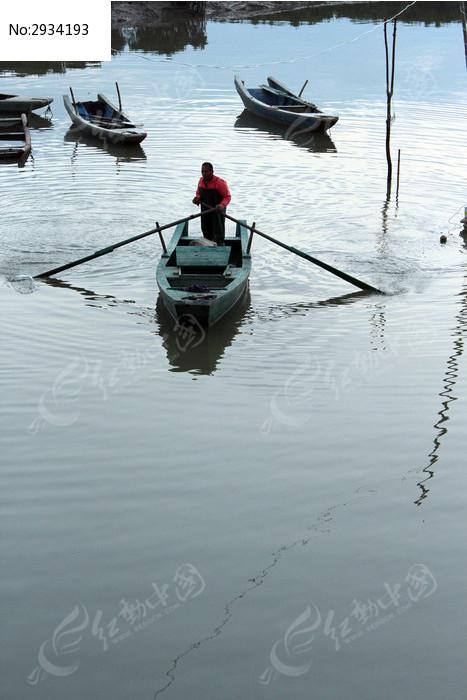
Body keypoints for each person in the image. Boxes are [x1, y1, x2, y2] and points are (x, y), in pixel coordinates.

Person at [192, 162, 231, 244]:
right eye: (202, 171)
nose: (204, 173)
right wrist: (197, 198)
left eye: (206, 171)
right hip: (205, 210)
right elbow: (198, 193)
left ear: (212, 171)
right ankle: (207, 244)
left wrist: (222, 205)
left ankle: (219, 245)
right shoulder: (201, 181)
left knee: (217, 231)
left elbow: (227, 197)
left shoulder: (220, 182)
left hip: (217, 211)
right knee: (205, 229)